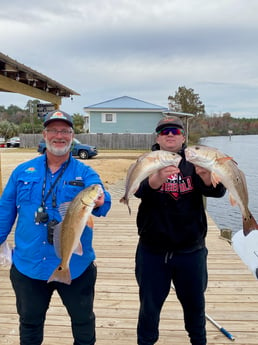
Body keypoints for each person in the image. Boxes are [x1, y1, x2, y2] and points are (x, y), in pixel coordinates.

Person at [0, 110, 111, 345]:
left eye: (64, 131)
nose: (58, 136)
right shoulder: (22, 171)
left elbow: (101, 197)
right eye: (53, 130)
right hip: (29, 264)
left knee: (83, 323)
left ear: (72, 136)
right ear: (44, 134)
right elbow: (5, 210)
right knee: (29, 324)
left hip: (75, 266)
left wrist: (102, 199)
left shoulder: (84, 172)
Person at [134, 116, 226, 345]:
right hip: (152, 250)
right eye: (164, 132)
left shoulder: (195, 159)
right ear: (157, 138)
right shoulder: (147, 159)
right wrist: (156, 179)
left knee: (195, 305)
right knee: (149, 307)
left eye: (175, 131)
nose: (170, 135)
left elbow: (218, 191)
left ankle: (198, 340)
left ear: (183, 137)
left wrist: (206, 177)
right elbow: (137, 190)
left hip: (190, 249)